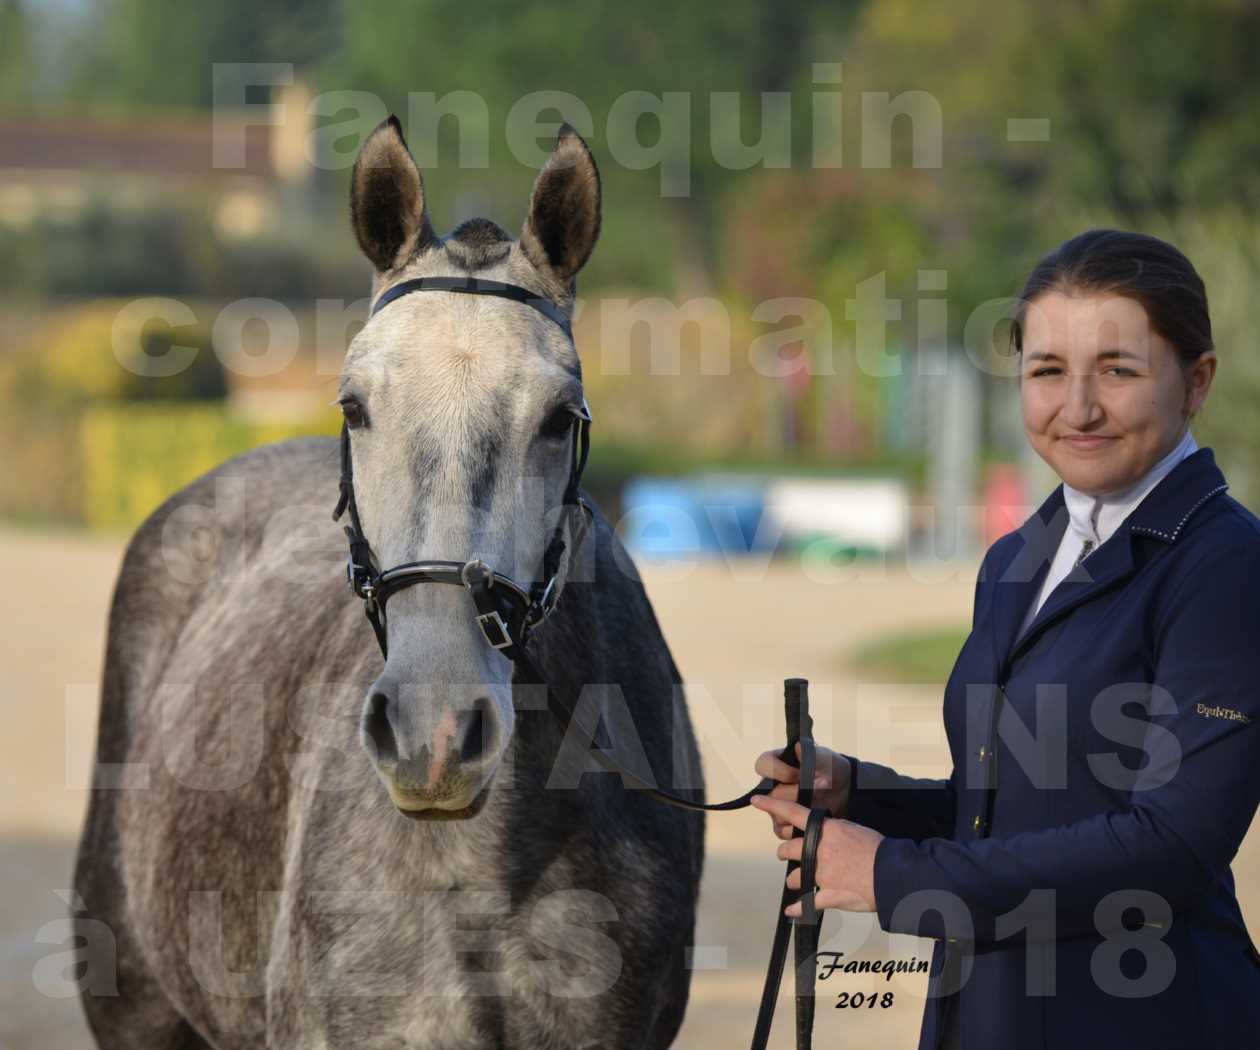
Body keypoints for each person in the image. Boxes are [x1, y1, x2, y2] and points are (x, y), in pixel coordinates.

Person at [752, 229, 1260, 1050]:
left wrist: (890, 876)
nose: (1079, 407)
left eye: (1119, 371)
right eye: (1048, 371)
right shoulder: (1019, 558)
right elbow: (1014, 812)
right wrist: (862, 795)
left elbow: (1170, 848)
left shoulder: (1230, 566)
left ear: (1196, 381)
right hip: (986, 1013)